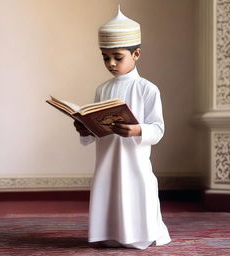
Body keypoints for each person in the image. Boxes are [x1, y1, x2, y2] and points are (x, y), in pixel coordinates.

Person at [74, 6, 171, 250]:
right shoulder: (102, 89)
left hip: (134, 161)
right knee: (110, 193)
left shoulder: (148, 89)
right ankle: (109, 234)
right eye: (105, 57)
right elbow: (98, 128)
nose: (111, 63)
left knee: (135, 194)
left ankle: (139, 236)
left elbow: (158, 129)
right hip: (107, 160)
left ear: (136, 54)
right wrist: (86, 129)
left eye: (118, 57)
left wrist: (137, 131)